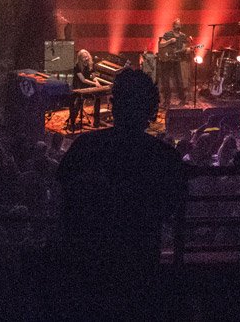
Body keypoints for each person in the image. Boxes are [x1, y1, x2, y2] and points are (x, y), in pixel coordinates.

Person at [55, 68, 187, 317]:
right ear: (151, 109)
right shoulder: (166, 157)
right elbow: (172, 208)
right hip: (142, 269)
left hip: (89, 271)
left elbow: (63, 201)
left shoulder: (85, 148)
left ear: (113, 105)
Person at [69, 49, 103, 132]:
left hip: (88, 87)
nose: (86, 58)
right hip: (78, 87)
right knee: (78, 103)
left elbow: (94, 76)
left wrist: (97, 82)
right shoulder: (77, 67)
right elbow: (83, 80)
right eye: (84, 57)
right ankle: (72, 123)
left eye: (87, 56)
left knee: (97, 97)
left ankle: (96, 122)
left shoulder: (91, 65)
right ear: (80, 59)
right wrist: (94, 84)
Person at [157, 18, 189, 107]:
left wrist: (187, 50)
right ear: (173, 25)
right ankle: (167, 101)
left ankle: (182, 99)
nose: (178, 27)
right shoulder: (168, 34)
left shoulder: (183, 36)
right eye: (177, 25)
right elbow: (161, 44)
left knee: (179, 80)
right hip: (167, 60)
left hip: (176, 60)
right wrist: (170, 41)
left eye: (180, 25)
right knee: (166, 81)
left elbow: (183, 49)